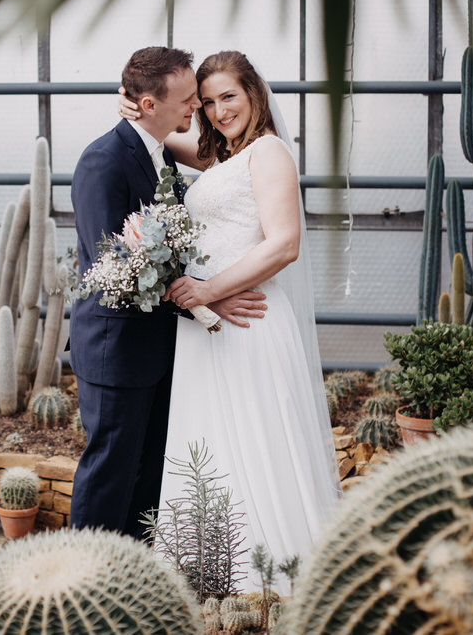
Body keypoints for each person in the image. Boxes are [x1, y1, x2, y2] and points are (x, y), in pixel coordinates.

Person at [120, 50, 341, 592]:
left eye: (229, 97)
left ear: (254, 95)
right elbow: (163, 135)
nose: (219, 111)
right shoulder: (219, 159)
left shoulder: (267, 153)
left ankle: (272, 577)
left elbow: (284, 243)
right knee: (213, 440)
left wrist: (209, 291)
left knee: (258, 439)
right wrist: (138, 107)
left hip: (248, 321)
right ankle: (209, 571)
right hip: (207, 325)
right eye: (209, 101)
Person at [69, 47, 268, 539]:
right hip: (115, 350)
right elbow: (109, 267)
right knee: (109, 471)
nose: (196, 110)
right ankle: (83, 581)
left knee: (146, 475)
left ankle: (135, 576)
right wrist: (204, 299)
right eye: (188, 100)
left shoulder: (162, 158)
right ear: (150, 105)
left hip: (159, 348)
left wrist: (206, 291)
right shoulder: (103, 160)